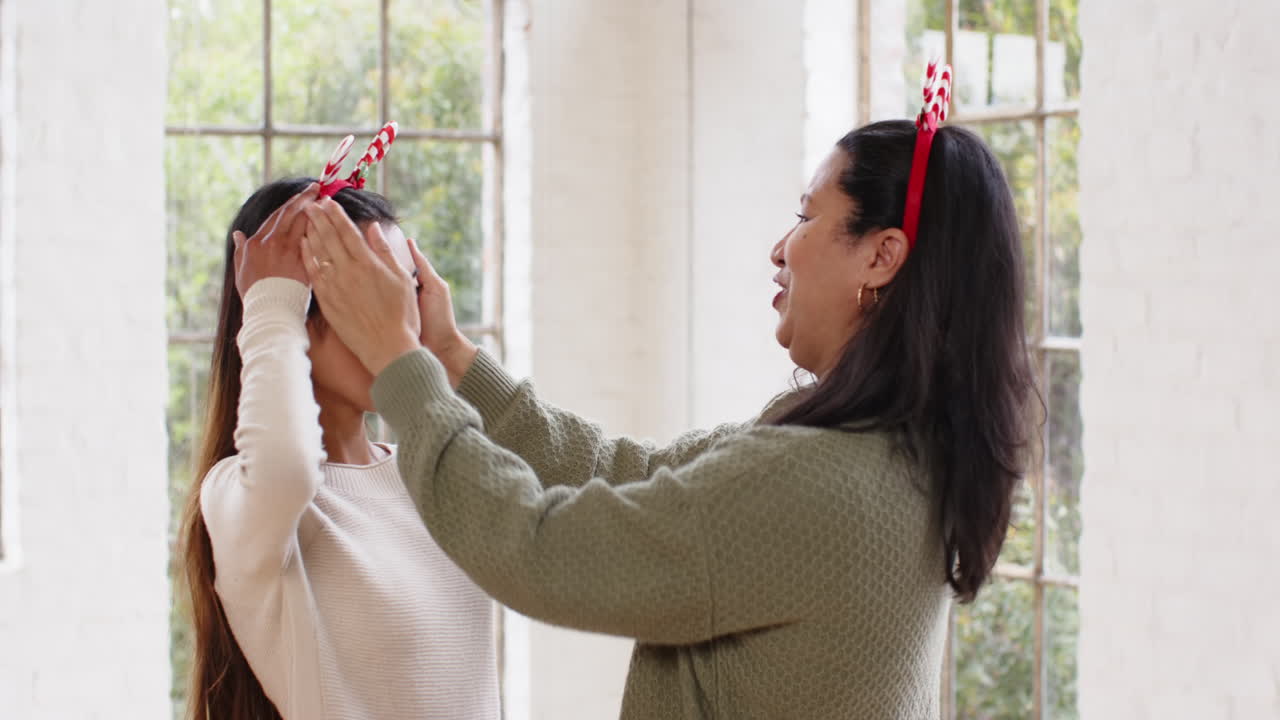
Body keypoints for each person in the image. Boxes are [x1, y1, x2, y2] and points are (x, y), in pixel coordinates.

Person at [298, 77, 1035, 717]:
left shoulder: (822, 484)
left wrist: (399, 362)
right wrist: (452, 358)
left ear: (881, 256)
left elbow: (536, 547)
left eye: (807, 217)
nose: (782, 247)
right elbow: (632, 474)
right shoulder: (882, 451)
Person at [176, 178, 500, 720]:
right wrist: (269, 305)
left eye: (407, 290)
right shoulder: (245, 495)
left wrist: (448, 349)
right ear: (293, 310)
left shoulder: (429, 472)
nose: (403, 320)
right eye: (369, 289)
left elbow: (567, 501)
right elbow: (287, 467)